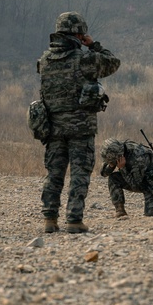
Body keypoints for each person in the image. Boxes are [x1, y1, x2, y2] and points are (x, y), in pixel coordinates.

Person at [38, 12, 120, 234]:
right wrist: (94, 45)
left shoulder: (44, 61)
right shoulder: (85, 60)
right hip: (81, 128)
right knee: (79, 173)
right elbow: (113, 63)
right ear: (78, 34)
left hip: (53, 128)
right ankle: (74, 220)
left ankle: (50, 220)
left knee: (54, 174)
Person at [99, 138, 153, 218]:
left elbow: (135, 184)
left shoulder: (138, 157)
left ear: (119, 156)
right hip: (137, 179)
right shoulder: (116, 151)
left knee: (151, 215)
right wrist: (111, 165)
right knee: (113, 178)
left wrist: (122, 168)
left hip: (151, 185)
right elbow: (103, 173)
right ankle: (120, 210)